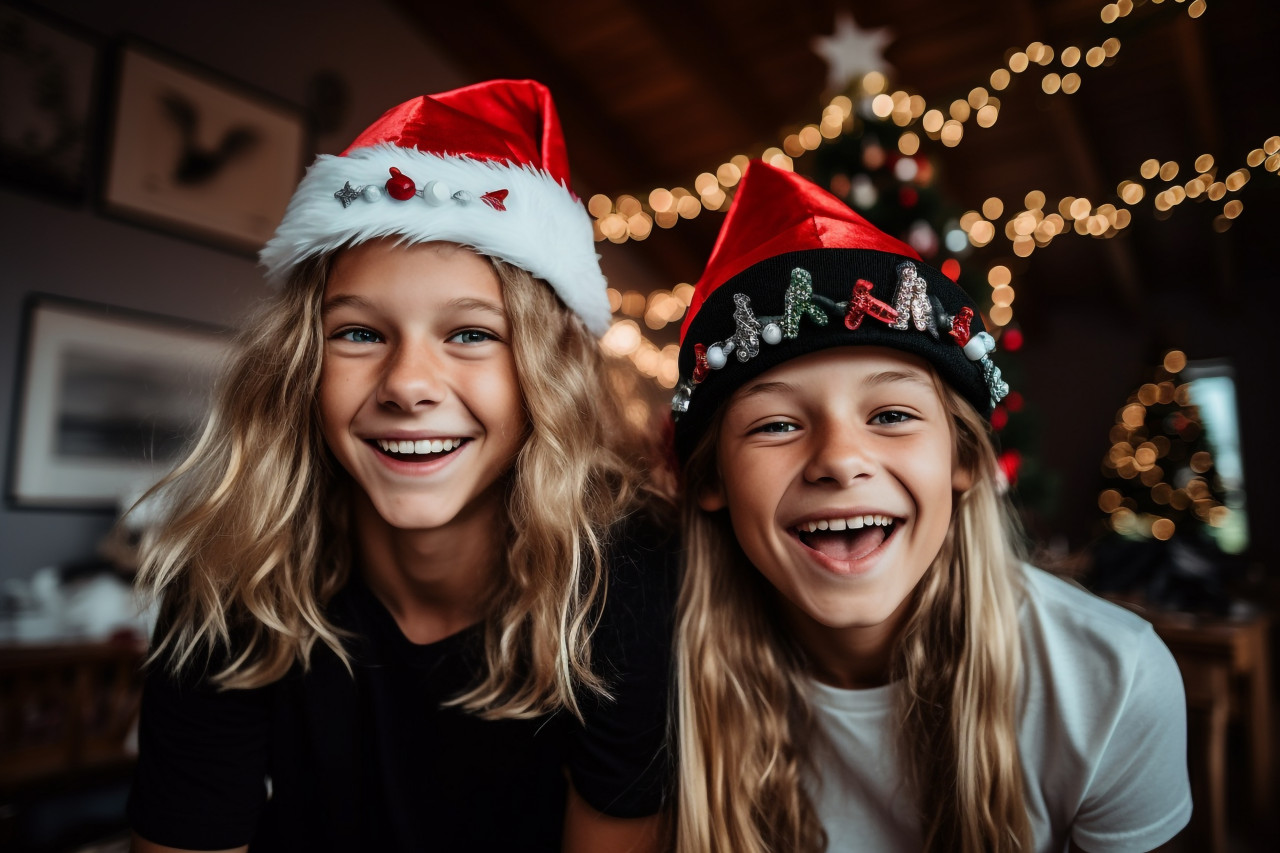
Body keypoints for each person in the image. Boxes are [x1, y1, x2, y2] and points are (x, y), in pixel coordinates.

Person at [127, 80, 676, 852]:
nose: (409, 384)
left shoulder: (626, 578)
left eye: (472, 334)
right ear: (301, 364)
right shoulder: (232, 575)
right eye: (358, 334)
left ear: (545, 376)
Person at [670, 160, 1191, 853]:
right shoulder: (654, 678)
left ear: (966, 460)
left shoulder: (1111, 682)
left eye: (889, 413)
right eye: (775, 424)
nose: (839, 458)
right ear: (713, 479)